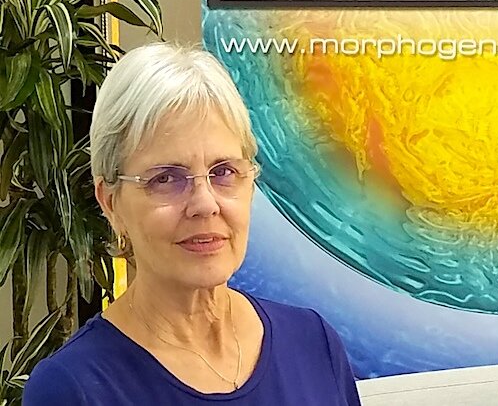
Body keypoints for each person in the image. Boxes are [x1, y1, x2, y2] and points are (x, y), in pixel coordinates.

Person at [23, 43, 362, 405]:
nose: (205, 204)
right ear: (110, 202)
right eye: (166, 178)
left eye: (224, 172)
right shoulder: (72, 388)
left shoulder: (314, 345)